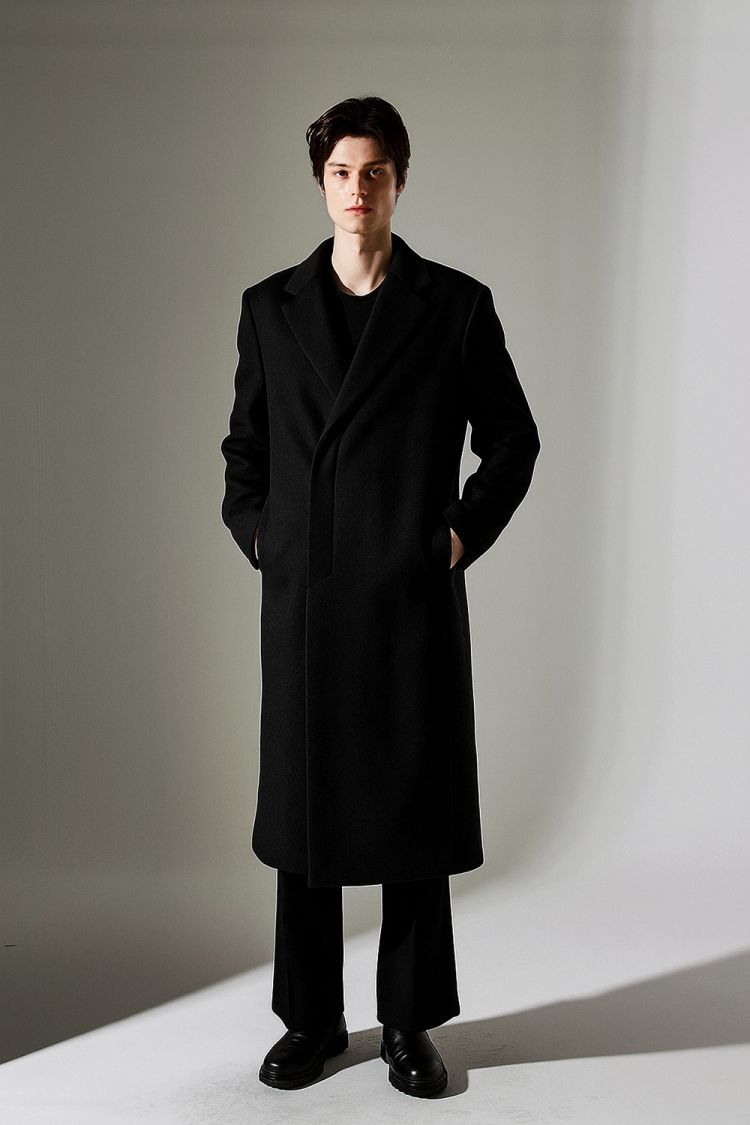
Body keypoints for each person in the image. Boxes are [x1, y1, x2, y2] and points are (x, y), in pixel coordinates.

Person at [220, 95, 540, 1097]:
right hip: (308, 602)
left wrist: (455, 536)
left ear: (400, 180)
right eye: (341, 172)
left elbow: (513, 439)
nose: (357, 189)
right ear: (321, 184)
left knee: (412, 812)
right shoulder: (269, 307)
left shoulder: (455, 305)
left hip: (406, 599)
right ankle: (311, 1021)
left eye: (375, 172)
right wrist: (264, 535)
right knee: (307, 820)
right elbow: (245, 450)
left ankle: (409, 1022)